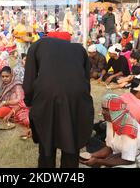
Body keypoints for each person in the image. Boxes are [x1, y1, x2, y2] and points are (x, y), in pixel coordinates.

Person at [24, 35, 94, 168]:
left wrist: (30, 103)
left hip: (46, 96)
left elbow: (28, 83)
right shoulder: (80, 49)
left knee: (46, 143)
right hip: (76, 98)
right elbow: (86, 83)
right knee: (71, 141)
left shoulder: (37, 45)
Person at [81, 93, 140, 168]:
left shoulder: (128, 129)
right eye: (103, 108)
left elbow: (128, 160)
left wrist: (98, 161)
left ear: (115, 111)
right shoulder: (111, 121)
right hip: (122, 155)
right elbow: (109, 148)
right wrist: (91, 155)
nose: (102, 112)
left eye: (106, 109)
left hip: (138, 163)